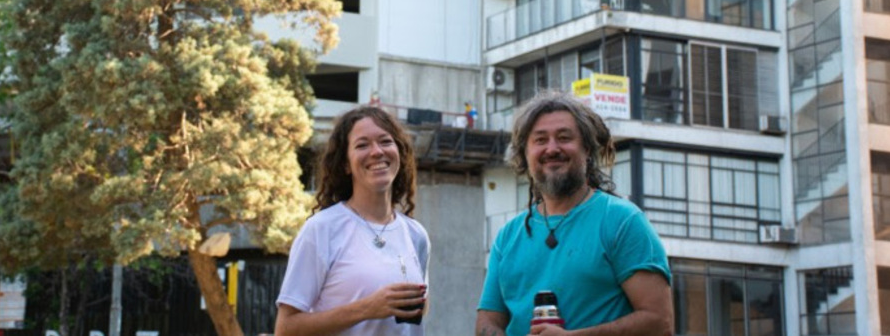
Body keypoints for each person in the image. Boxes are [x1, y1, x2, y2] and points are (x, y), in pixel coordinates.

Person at [476, 90, 673, 336]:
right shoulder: (508, 236)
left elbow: (659, 323)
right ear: (525, 155)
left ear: (588, 149)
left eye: (564, 137)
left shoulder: (623, 221)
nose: (552, 149)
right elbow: (487, 322)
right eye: (540, 140)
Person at [275, 106, 430, 335]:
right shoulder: (322, 229)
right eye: (362, 145)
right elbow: (286, 328)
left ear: (399, 152)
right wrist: (367, 308)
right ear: (346, 164)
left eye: (385, 141)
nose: (376, 152)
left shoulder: (416, 235)